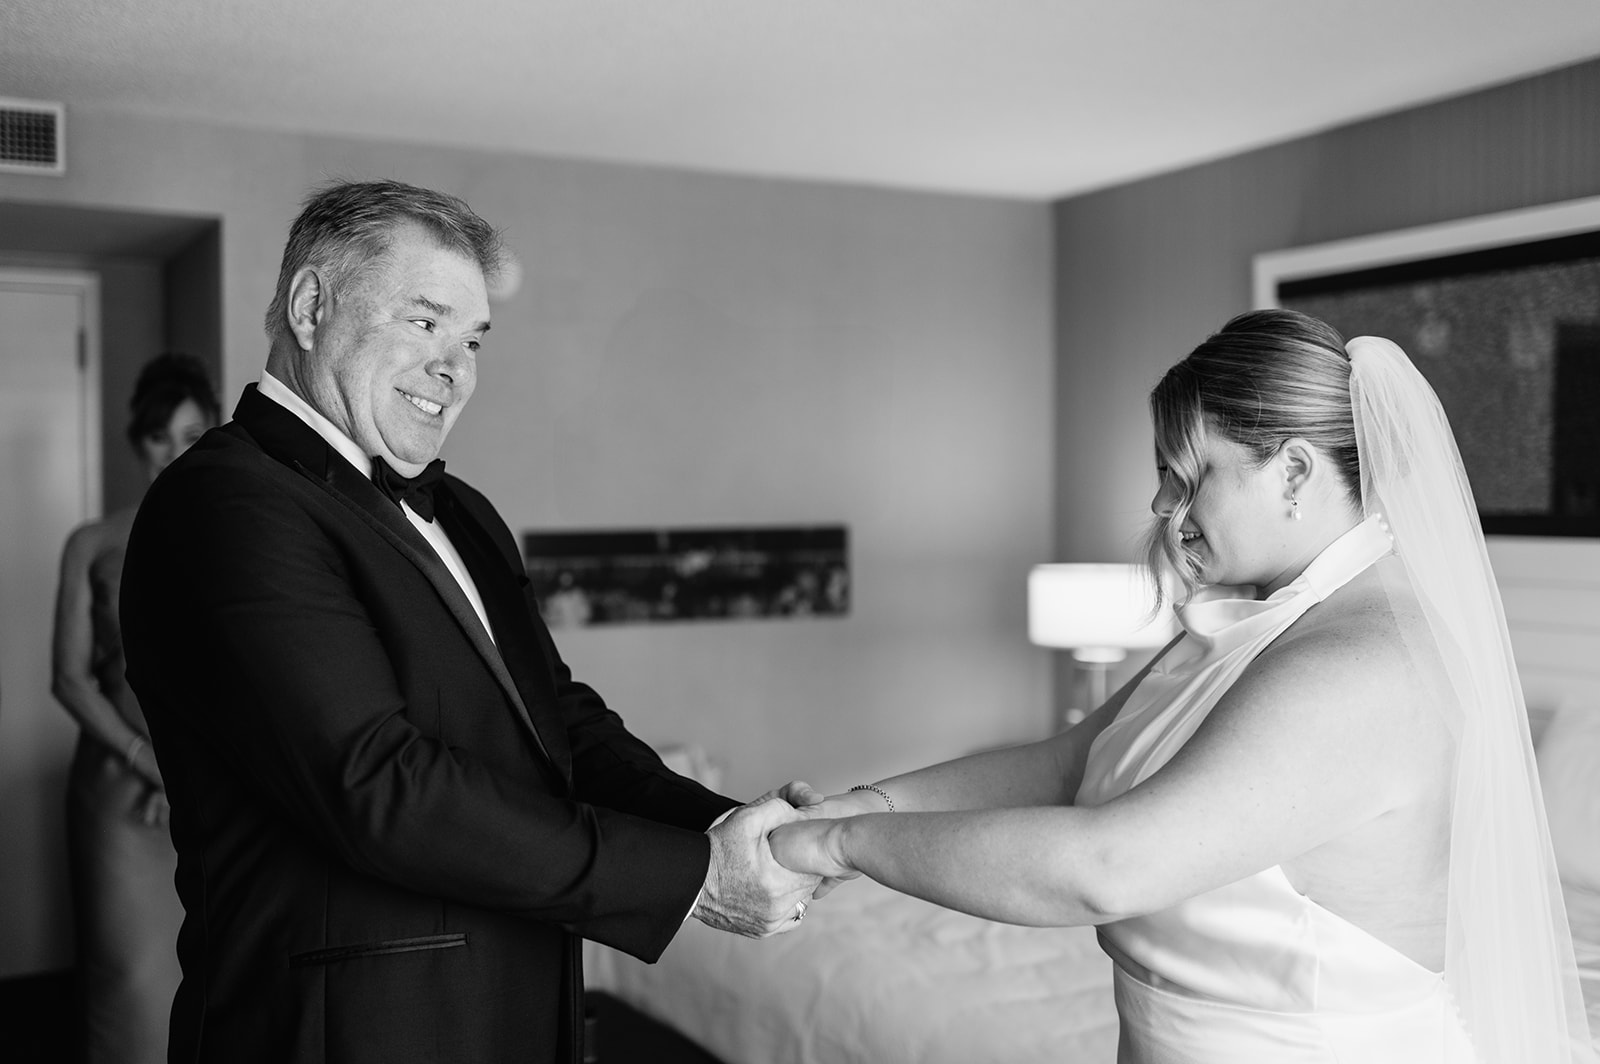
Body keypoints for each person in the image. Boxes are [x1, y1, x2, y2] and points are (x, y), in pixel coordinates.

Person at [772, 309, 1596, 1062]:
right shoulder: (1252, 631)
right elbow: (1064, 765)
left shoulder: (1362, 667)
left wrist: (839, 848)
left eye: (1189, 473)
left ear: (1296, 473)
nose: (1164, 504)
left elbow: (1109, 866)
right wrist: (857, 806)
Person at [119, 180, 818, 1064]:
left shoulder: (467, 514)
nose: (456, 369)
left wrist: (733, 830)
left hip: (517, 1006)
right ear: (310, 307)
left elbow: (558, 725)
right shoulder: (223, 503)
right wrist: (695, 881)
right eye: (424, 322)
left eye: (473, 339)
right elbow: (377, 784)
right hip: (349, 1033)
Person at [51, 352, 219, 1064]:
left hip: (210, 791)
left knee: (219, 976)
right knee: (130, 982)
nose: (173, 451)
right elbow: (68, 680)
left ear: (211, 433)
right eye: (159, 436)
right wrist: (145, 761)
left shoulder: (233, 535)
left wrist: (189, 774)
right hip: (120, 793)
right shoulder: (91, 543)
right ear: (137, 442)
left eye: (190, 434)